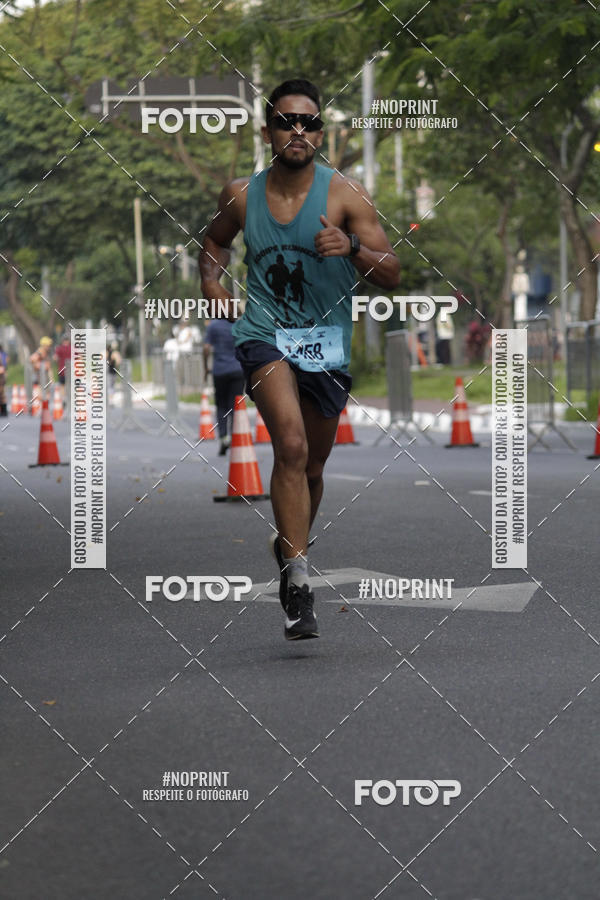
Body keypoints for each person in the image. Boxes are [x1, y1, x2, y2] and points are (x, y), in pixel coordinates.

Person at [199, 78, 400, 640]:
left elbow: (392, 272)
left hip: (326, 343)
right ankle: (297, 581)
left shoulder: (346, 196)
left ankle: (290, 543)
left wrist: (353, 247)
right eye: (287, 121)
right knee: (288, 444)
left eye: (309, 123)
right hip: (265, 335)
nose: (298, 131)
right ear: (268, 131)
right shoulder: (241, 195)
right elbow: (214, 242)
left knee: (311, 465)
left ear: (321, 133)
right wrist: (213, 284)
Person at [203, 303, 245, 456]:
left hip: (219, 371)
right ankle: (235, 439)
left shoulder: (213, 326)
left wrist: (205, 367)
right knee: (235, 406)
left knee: (221, 405)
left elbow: (206, 348)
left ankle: (223, 437)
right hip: (238, 370)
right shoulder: (239, 324)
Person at [30, 336, 53, 411]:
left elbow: (49, 367)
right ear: (44, 345)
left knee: (46, 394)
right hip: (40, 377)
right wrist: (38, 365)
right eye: (48, 345)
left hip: (45, 377)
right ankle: (41, 409)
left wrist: (51, 378)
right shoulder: (39, 353)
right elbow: (32, 359)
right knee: (42, 393)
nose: (49, 347)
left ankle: (44, 408)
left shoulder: (46, 353)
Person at [54, 333, 71, 407]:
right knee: (71, 385)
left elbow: (55, 357)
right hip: (72, 371)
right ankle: (70, 399)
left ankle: (64, 399)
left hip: (62, 371)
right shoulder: (72, 348)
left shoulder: (59, 348)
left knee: (62, 386)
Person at [0, 344, 7, 416]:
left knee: (1, 395)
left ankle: (4, 412)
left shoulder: (1, 355)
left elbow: (2, 368)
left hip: (1, 379)